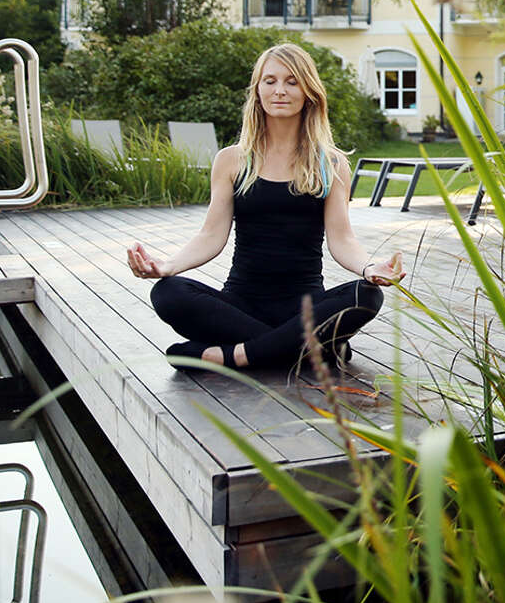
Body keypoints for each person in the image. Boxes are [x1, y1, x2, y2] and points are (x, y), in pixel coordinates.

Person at [125, 43, 406, 373]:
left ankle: (238, 356)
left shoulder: (331, 164)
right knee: (168, 292)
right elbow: (211, 235)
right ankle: (315, 351)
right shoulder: (231, 160)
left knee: (367, 295)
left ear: (309, 91)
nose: (280, 91)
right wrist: (168, 266)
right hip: (240, 305)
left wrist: (369, 268)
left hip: (304, 307)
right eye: (269, 81)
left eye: (291, 81)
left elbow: (342, 240)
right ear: (257, 90)